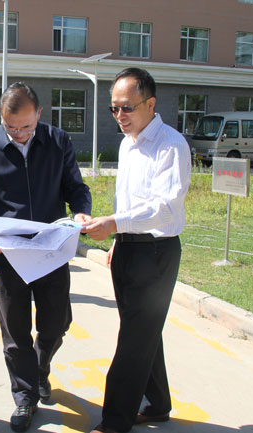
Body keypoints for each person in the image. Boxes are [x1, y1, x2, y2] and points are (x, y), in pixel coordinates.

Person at [0, 82, 92, 432]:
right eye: (11, 127)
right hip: (8, 254)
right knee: (15, 329)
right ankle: (25, 396)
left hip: (51, 250)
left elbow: (75, 187)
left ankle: (39, 369)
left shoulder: (57, 141)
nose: (19, 134)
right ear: (0, 116)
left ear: (39, 113)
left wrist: (81, 212)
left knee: (57, 322)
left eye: (26, 126)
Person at [81, 68, 191, 433]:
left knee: (133, 341)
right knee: (141, 331)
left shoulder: (171, 145)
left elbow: (165, 208)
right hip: (128, 249)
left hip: (156, 254)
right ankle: (157, 403)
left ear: (150, 103)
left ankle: (115, 421)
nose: (119, 115)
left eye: (126, 107)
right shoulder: (128, 144)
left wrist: (113, 224)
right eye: (113, 108)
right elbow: (127, 199)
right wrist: (118, 240)